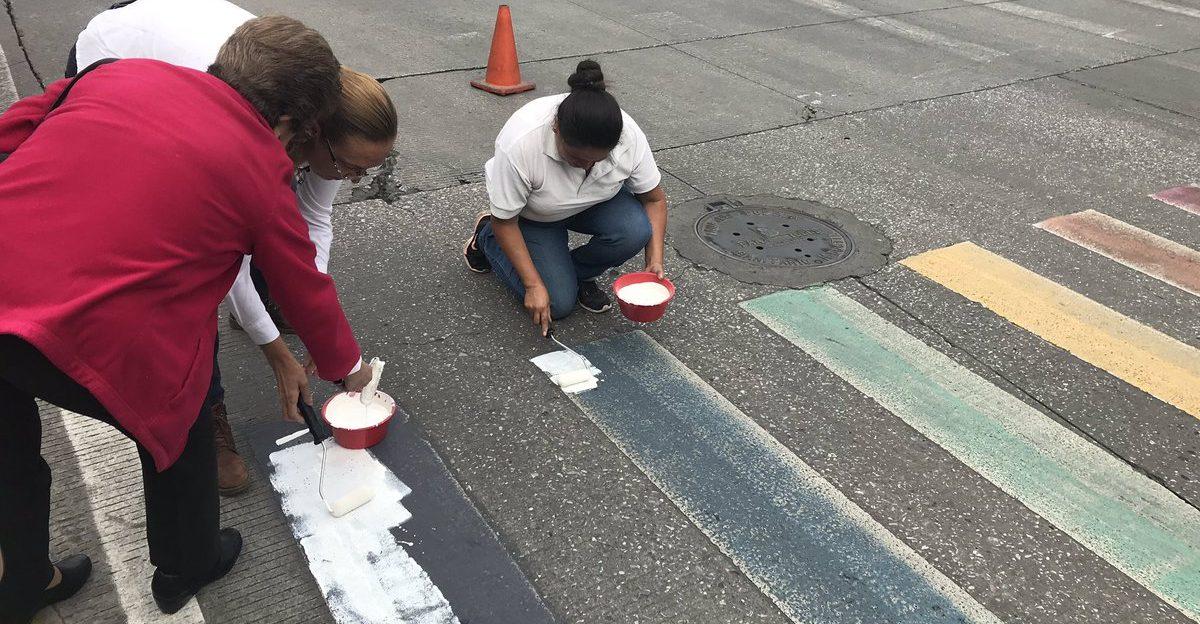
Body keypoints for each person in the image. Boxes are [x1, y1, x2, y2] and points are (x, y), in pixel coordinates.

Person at [0, 16, 375, 623]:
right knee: (181, 411)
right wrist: (348, 369)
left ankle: (22, 580)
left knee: (7, 454)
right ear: (292, 121)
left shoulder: (116, 72)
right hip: (68, 329)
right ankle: (186, 563)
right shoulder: (259, 167)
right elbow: (303, 285)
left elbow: (12, 131)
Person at [69, 0, 398, 495]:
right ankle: (208, 411)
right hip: (116, 61)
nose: (355, 178)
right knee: (190, 275)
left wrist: (315, 323)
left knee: (272, 226)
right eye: (351, 166)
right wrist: (277, 353)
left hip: (208, 66)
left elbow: (313, 221)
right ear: (310, 133)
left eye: (365, 171)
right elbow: (228, 263)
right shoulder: (248, 136)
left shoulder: (324, 122)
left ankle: (264, 312)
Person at [463, 60, 668, 335]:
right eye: (576, 159)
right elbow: (506, 222)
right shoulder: (522, 143)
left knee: (635, 230)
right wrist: (533, 286)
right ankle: (486, 238)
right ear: (556, 128)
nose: (586, 166)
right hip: (534, 215)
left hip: (597, 201)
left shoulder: (627, 134)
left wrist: (654, 260)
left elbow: (653, 200)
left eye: (597, 160)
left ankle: (575, 275)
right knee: (557, 304)